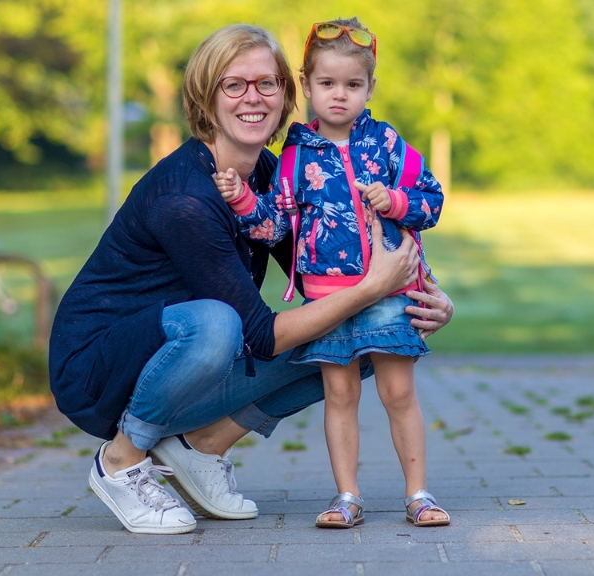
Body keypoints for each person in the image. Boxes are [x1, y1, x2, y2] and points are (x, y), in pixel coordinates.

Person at [47, 23, 454, 536]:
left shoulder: (273, 172)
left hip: (181, 358)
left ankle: (201, 448)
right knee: (220, 324)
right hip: (101, 367)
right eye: (234, 84)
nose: (253, 97)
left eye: (266, 83)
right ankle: (121, 460)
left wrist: (417, 298)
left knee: (364, 336)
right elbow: (260, 334)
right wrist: (371, 288)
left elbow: (317, 269)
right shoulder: (185, 199)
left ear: (287, 92)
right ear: (206, 95)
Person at [216, 17, 448, 529]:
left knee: (399, 394)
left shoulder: (387, 143)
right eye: (327, 83)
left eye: (352, 84)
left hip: (391, 297)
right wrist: (243, 200)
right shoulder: (295, 155)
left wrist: (396, 201)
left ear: (370, 87)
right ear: (306, 85)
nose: (339, 95)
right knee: (340, 396)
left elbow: (431, 200)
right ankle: (347, 497)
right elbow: (274, 225)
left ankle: (419, 495)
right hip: (327, 302)